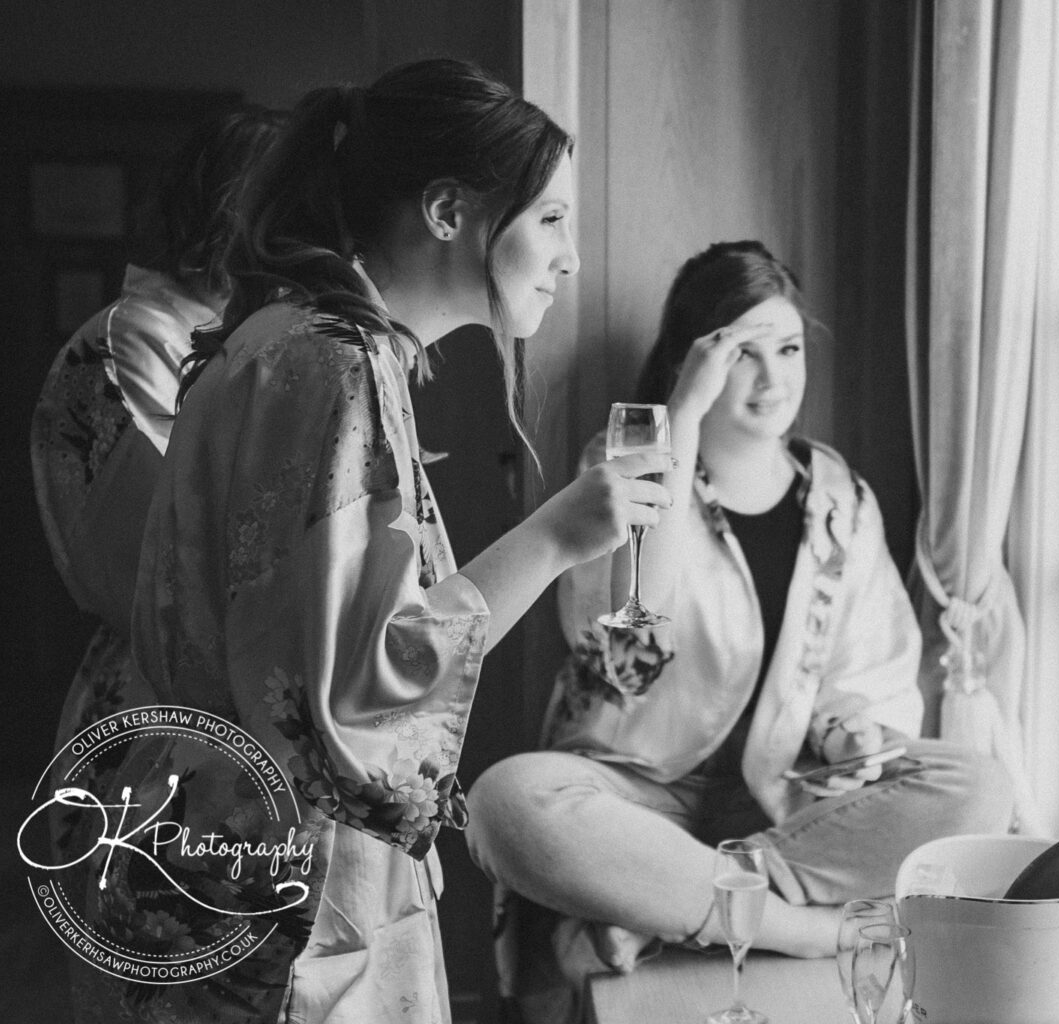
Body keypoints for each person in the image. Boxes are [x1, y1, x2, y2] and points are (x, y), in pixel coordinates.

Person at [70, 59, 669, 1024]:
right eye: (552, 219)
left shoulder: (307, 346)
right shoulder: (328, 364)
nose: (572, 258)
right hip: (278, 888)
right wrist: (557, 536)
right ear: (447, 210)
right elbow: (354, 692)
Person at [466, 240, 1009, 1016]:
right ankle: (798, 929)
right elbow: (624, 652)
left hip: (785, 804)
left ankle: (658, 913)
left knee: (978, 784)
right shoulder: (625, 468)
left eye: (788, 349)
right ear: (694, 366)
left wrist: (848, 732)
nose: (774, 377)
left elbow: (869, 669)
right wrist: (679, 418)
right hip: (634, 796)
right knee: (505, 800)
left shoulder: (838, 497)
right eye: (743, 356)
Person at [30, 104, 285, 828]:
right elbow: (173, 564)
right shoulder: (128, 343)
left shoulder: (233, 338)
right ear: (243, 209)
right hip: (158, 705)